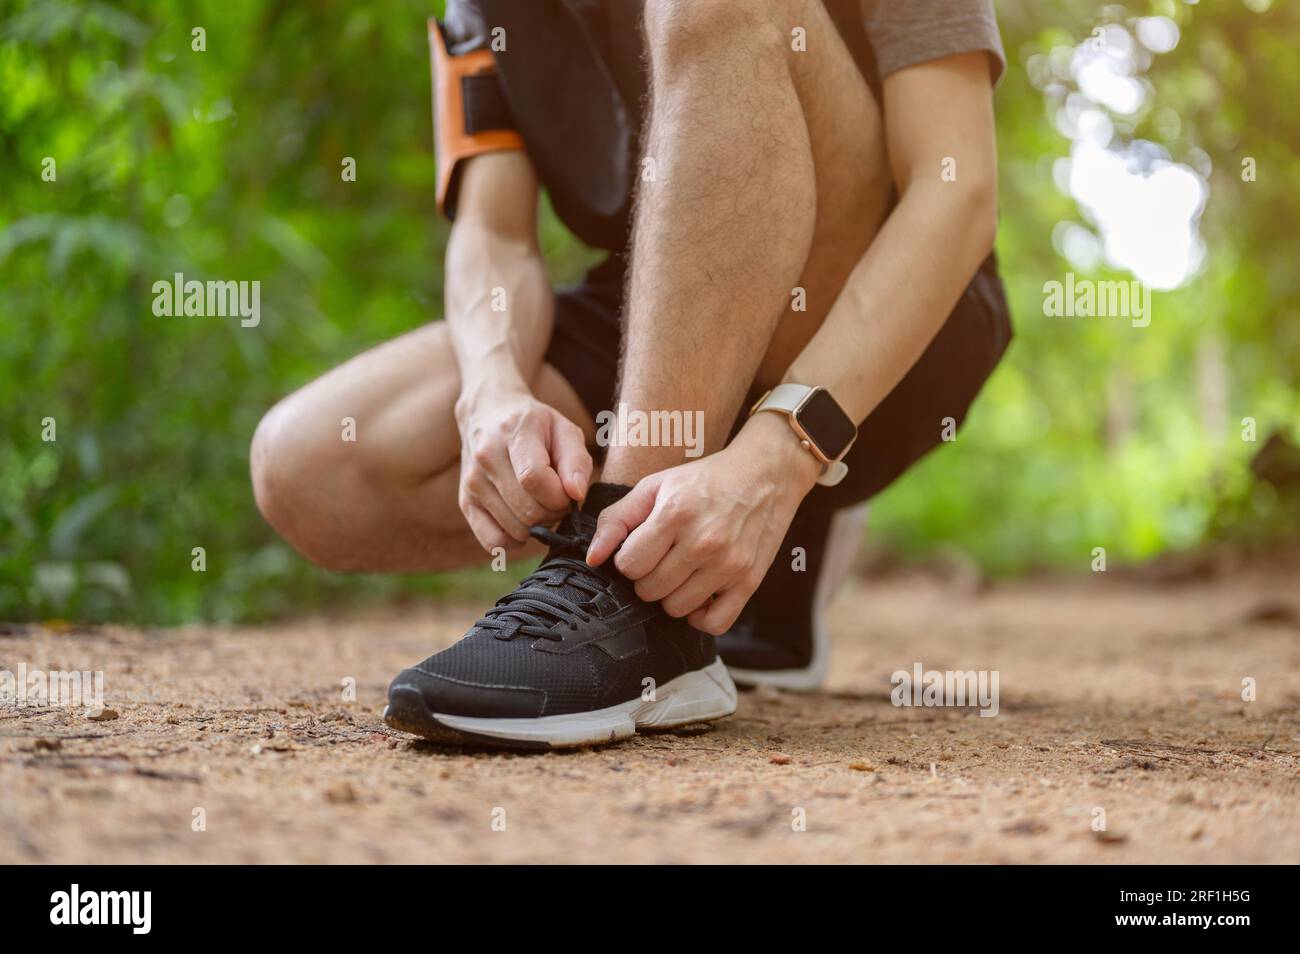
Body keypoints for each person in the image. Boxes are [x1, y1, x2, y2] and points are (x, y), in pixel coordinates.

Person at [250, 0, 1013, 749]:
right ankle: (701, 540)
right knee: (309, 466)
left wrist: (781, 458)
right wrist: (492, 394)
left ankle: (637, 596)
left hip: (898, 318)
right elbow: (495, 232)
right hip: (660, 298)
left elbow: (957, 189)